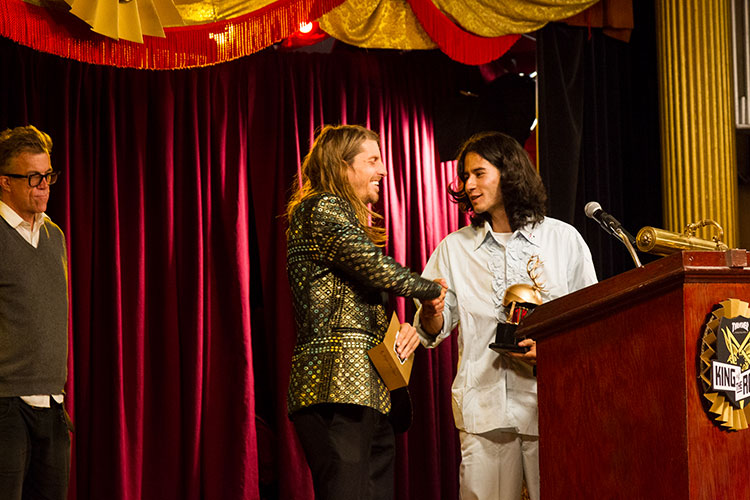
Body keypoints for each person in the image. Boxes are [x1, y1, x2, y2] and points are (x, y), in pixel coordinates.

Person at [415, 131, 597, 500]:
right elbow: (432, 330)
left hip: (552, 410)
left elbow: (590, 322)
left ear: (509, 173)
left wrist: (551, 351)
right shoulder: (453, 249)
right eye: (465, 177)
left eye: (479, 173)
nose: (469, 184)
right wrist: (432, 311)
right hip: (484, 415)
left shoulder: (564, 240)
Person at [286, 124, 445, 500]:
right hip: (335, 385)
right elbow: (373, 266)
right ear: (343, 167)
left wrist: (402, 329)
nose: (383, 171)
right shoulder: (320, 207)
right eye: (372, 160)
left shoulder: (340, 219)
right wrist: (430, 289)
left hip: (370, 390)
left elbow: (361, 292)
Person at [0, 125, 71, 500]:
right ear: (5, 182)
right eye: (32, 177)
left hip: (53, 404)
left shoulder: (54, 235)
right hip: (6, 404)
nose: (43, 185)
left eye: (48, 176)